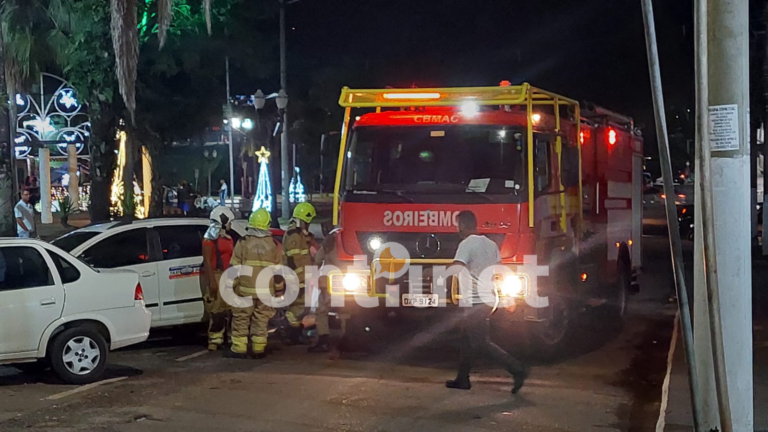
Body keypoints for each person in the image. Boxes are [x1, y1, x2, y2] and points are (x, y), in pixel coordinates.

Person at [445, 210, 529, 394]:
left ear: (464, 225)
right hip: (488, 299)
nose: (456, 229)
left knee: (480, 342)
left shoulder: (466, 244)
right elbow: (498, 271)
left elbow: (457, 267)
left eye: (457, 225)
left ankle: (517, 369)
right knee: (465, 337)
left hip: (475, 300)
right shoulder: (491, 245)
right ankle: (462, 379)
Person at [228, 208, 281, 359]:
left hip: (245, 288)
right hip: (265, 290)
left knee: (241, 317)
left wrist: (231, 286)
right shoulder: (273, 244)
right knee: (261, 318)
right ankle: (258, 348)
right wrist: (278, 290)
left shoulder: (243, 242)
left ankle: (239, 348)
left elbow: (234, 267)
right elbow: (278, 272)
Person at [200, 206, 236, 351]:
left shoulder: (227, 238)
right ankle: (215, 339)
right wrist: (212, 282)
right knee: (216, 311)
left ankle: (229, 338)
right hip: (216, 274)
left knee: (230, 310)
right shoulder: (208, 240)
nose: (231, 225)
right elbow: (207, 261)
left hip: (228, 275)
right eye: (230, 222)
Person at [281, 202, 317, 344]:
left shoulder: (299, 235)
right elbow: (294, 259)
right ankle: (287, 329)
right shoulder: (293, 235)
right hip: (296, 278)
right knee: (296, 308)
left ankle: (294, 335)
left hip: (301, 277)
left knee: (299, 307)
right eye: (308, 222)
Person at [306, 229, 339, 353]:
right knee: (348, 310)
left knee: (322, 310)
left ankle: (323, 340)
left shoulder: (330, 240)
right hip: (353, 280)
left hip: (330, 281)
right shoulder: (350, 239)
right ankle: (348, 338)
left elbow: (318, 259)